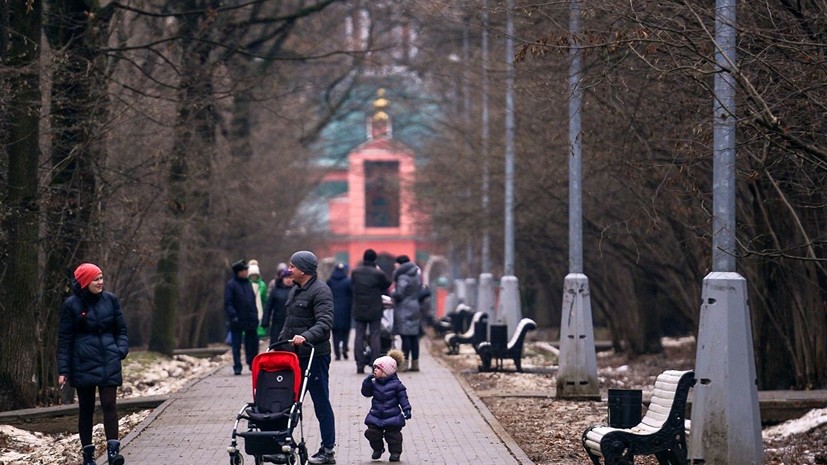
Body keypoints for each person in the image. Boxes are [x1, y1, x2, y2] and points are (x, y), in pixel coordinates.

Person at [58, 263, 129, 465]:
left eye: (101, 278)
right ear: (84, 282)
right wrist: (64, 370)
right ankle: (88, 456)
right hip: (83, 362)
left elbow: (121, 330)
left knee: (109, 404)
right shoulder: (71, 305)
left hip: (109, 359)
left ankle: (113, 453)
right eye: (95, 279)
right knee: (86, 408)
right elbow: (65, 340)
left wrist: (120, 350)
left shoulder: (111, 300)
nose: (100, 282)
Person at [279, 251, 337, 464]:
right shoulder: (295, 290)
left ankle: (327, 450)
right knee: (288, 401)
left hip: (315, 356)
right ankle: (282, 444)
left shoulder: (321, 291)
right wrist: (279, 344)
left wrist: (305, 336)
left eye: (292, 266)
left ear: (303, 270)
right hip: (293, 357)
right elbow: (289, 322)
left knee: (321, 402)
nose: (289, 270)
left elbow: (325, 322)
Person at [361, 349, 412, 462]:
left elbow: (403, 398)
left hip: (392, 416)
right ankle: (378, 449)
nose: (375, 370)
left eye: (378, 368)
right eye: (374, 368)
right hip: (376, 415)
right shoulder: (374, 383)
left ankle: (395, 452)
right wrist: (366, 382)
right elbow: (366, 393)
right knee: (372, 433)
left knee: (393, 435)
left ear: (386, 371)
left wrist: (407, 409)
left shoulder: (397, 385)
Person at [350, 249, 392, 374]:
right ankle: (375, 364)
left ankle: (359, 364)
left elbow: (352, 285)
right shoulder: (378, 273)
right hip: (374, 309)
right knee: (375, 336)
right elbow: (387, 284)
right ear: (375, 259)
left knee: (359, 336)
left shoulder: (355, 272)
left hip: (359, 308)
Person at [224, 259, 259, 375]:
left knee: (252, 344)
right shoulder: (231, 285)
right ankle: (237, 366)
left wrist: (255, 315)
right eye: (244, 270)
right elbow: (228, 303)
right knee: (236, 344)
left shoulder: (248, 284)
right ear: (239, 272)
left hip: (250, 318)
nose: (246, 272)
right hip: (237, 319)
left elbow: (252, 301)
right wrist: (233, 316)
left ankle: (252, 363)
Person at [392, 255, 422, 372]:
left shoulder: (403, 277)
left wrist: (393, 293)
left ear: (400, 264)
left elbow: (399, 294)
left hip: (405, 308)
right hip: (415, 307)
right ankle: (415, 364)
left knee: (405, 337)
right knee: (414, 337)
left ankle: (404, 365)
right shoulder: (416, 276)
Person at [326, 262, 353, 361]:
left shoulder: (330, 281)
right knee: (345, 331)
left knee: (335, 332)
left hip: (333, 308)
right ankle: (345, 347)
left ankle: (337, 353)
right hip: (346, 309)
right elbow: (352, 294)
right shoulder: (348, 281)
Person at [262, 268, 293, 342]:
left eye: (290, 277)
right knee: (277, 341)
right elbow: (268, 306)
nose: (288, 280)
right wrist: (265, 320)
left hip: (292, 322)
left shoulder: (297, 290)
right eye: (286, 277)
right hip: (278, 321)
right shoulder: (275, 290)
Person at [247, 259, 269, 338]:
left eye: (255, 275)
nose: (254, 277)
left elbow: (265, 299)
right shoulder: (246, 284)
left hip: (259, 310)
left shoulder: (262, 285)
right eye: (252, 275)